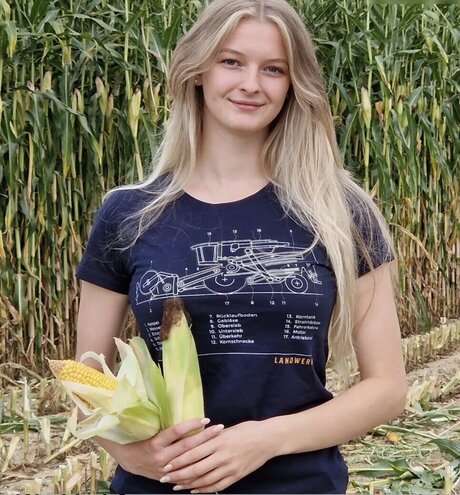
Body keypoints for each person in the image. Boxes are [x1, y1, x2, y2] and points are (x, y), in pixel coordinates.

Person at [75, 0, 407, 493]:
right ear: (198, 71)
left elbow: (388, 389)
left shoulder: (340, 210)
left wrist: (263, 441)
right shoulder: (129, 212)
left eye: (274, 69)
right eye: (231, 61)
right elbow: (86, 376)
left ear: (293, 85)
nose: (252, 84)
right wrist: (130, 454)